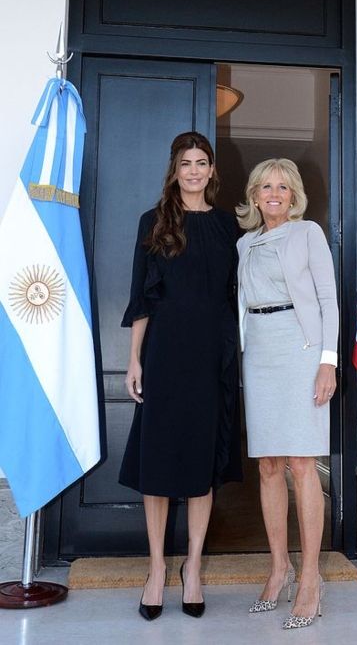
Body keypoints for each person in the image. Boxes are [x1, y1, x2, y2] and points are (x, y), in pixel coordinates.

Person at [119, 131, 242, 621]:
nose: (193, 170)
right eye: (186, 162)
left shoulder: (229, 226)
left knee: (199, 466)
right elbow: (141, 297)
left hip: (212, 357)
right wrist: (134, 359)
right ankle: (155, 570)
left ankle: (192, 567)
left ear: (212, 171)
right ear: (175, 169)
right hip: (165, 354)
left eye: (202, 162)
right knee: (158, 465)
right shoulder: (154, 222)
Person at [236, 158, 338, 630]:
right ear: (254, 195)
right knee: (269, 464)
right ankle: (280, 568)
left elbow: (327, 300)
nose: (274, 194)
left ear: (293, 195)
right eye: (265, 186)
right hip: (259, 353)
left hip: (301, 352)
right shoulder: (244, 243)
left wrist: (327, 361)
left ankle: (311, 578)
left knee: (301, 463)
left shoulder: (308, 234)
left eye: (283, 187)